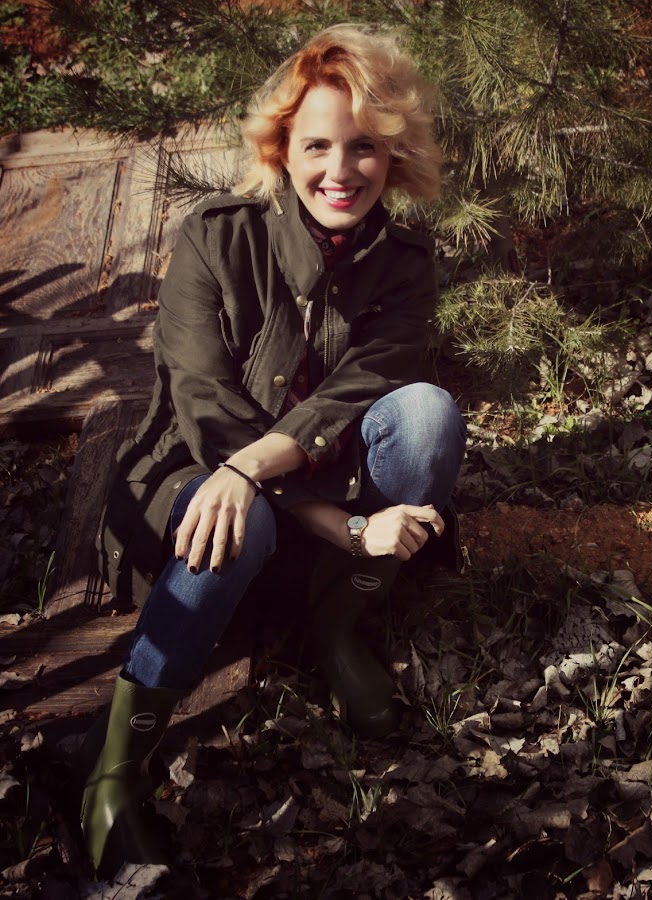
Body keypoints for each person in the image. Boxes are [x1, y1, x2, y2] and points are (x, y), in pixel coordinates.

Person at [79, 24, 465, 878]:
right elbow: (202, 402)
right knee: (236, 518)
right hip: (195, 471)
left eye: (364, 146)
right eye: (318, 144)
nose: (341, 170)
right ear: (282, 148)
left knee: (428, 415)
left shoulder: (405, 262)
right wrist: (335, 523)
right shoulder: (215, 236)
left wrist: (261, 471)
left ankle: (337, 629)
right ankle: (115, 769)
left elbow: (364, 387)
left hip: (314, 470)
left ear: (392, 154)